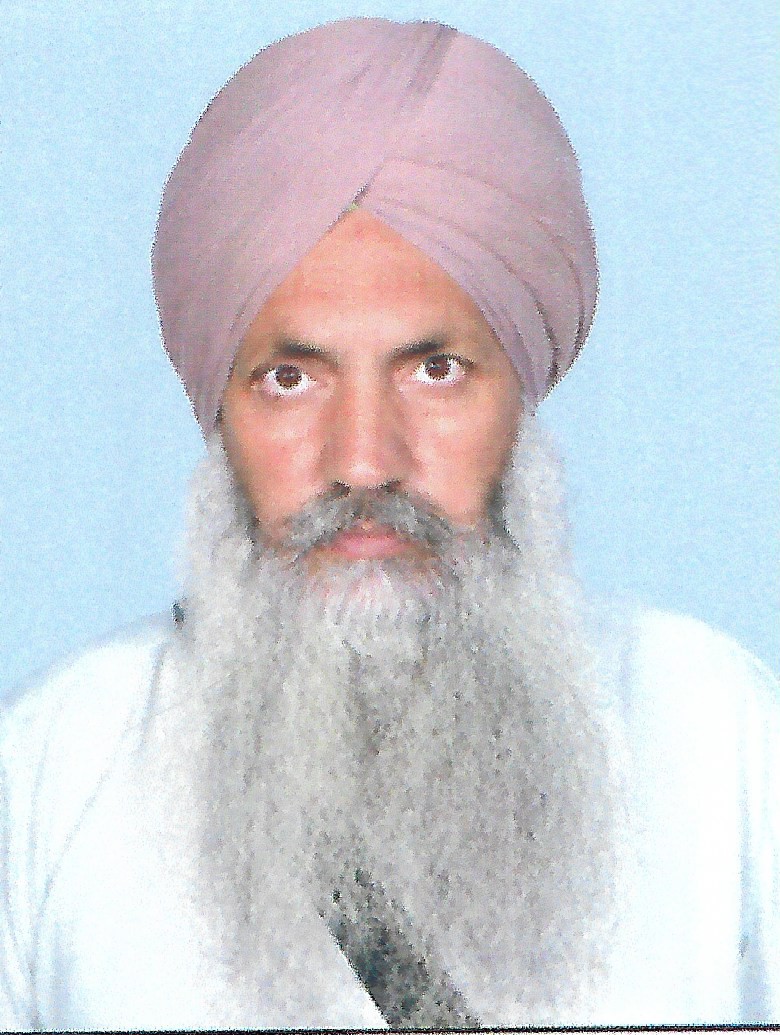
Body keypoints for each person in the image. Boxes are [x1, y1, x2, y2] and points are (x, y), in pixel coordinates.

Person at [1, 17, 777, 1030]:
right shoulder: (50, 768)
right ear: (220, 410)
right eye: (289, 379)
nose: (364, 459)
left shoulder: (720, 738)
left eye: (435, 370)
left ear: (519, 395)